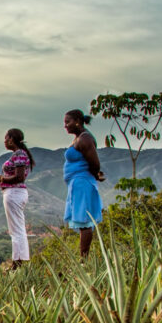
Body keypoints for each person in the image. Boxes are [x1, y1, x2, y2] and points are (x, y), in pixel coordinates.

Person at [63, 109, 105, 258]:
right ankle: (83, 257)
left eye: (67, 122)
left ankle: (84, 259)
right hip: (76, 183)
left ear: (77, 121)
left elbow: (94, 163)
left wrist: (96, 175)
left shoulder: (84, 139)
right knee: (82, 221)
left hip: (83, 182)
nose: (65, 126)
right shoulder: (78, 138)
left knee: (85, 220)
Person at [0, 128, 35, 270]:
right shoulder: (20, 154)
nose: (4, 141)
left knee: (16, 230)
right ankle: (19, 260)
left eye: (6, 138)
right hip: (15, 193)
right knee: (17, 228)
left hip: (14, 192)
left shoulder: (19, 154)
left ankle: (17, 263)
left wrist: (2, 178)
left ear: (11, 139)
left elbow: (19, 176)